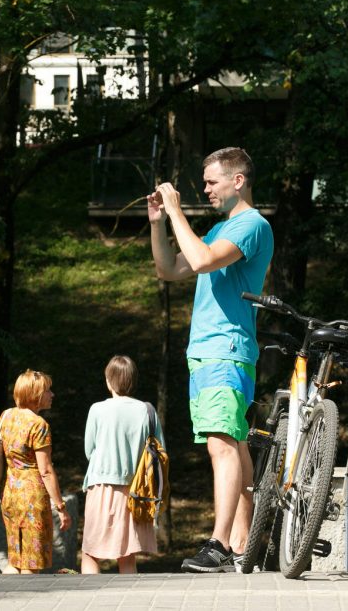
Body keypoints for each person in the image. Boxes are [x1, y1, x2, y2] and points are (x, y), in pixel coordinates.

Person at [148, 147, 274, 573]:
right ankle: (244, 544)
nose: (205, 190)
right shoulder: (221, 230)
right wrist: (158, 223)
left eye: (212, 182)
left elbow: (200, 261)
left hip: (227, 349)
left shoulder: (251, 225)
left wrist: (176, 210)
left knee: (223, 442)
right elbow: (169, 268)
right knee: (232, 444)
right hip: (203, 353)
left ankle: (219, 542)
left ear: (238, 181)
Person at [80, 355, 165, 574]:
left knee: (91, 552)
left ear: (108, 381)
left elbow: (89, 450)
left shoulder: (97, 409)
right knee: (127, 555)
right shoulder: (147, 411)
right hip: (136, 491)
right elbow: (160, 451)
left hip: (102, 486)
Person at [0, 369, 72, 574]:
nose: (52, 395)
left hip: (10, 496)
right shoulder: (39, 425)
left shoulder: (6, 416)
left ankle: (3, 602)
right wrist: (61, 506)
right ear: (35, 395)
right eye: (48, 390)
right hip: (33, 500)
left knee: (15, 560)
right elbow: (46, 470)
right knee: (31, 565)